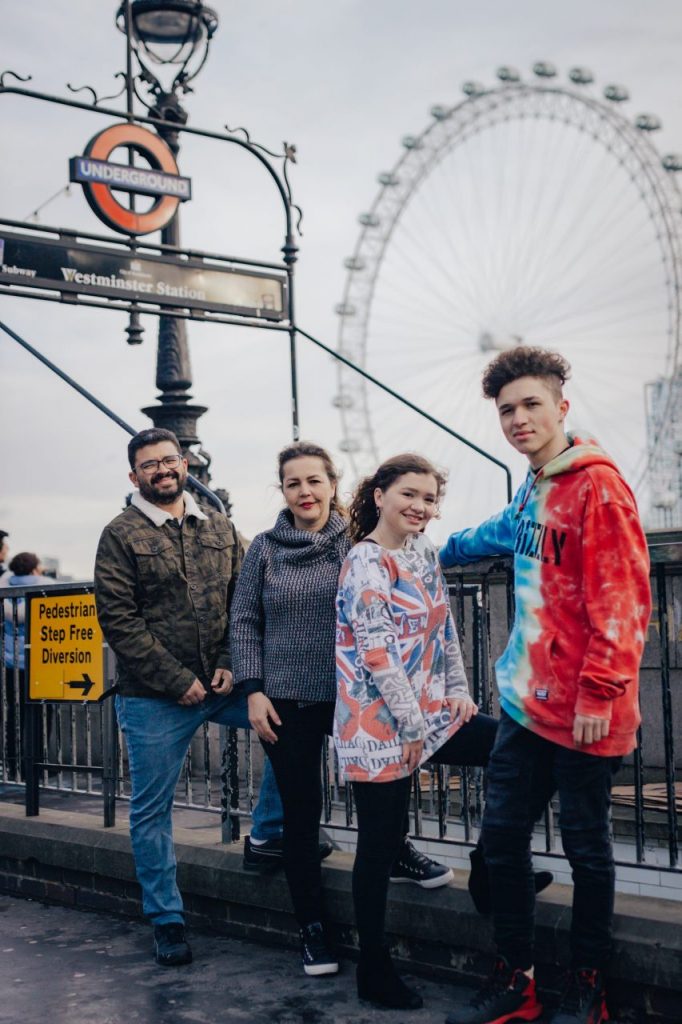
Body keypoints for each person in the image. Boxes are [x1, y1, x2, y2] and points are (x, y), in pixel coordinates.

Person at [439, 348, 651, 1024]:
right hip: (526, 705)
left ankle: (589, 986)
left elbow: (623, 598)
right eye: (507, 410)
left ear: (562, 406)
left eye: (532, 405)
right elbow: (507, 532)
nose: (519, 419)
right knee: (501, 843)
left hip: (587, 711)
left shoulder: (598, 487)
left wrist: (600, 692)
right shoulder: (537, 484)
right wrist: (438, 548)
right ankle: (519, 979)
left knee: (588, 852)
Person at [230, 441, 456, 977]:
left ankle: (396, 848)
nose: (305, 492)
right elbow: (244, 621)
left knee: (382, 796)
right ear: (282, 492)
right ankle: (312, 930)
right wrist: (253, 689)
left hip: (359, 698)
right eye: (293, 484)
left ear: (334, 485)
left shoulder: (357, 545)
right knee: (302, 817)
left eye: (315, 481)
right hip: (289, 698)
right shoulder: (262, 548)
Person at [94, 428, 284, 968]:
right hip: (154, 697)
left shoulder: (220, 526)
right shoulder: (119, 534)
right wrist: (177, 679)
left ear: (184, 465)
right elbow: (119, 620)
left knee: (290, 728)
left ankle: (267, 834)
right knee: (151, 810)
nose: (161, 470)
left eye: (168, 460)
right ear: (134, 476)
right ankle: (167, 919)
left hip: (221, 685)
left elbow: (243, 598)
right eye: (148, 465)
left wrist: (228, 664)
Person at [334, 454, 501, 1010]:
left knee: (518, 752)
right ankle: (374, 971)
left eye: (429, 498)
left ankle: (491, 864)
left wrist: (458, 688)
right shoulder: (365, 561)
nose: (420, 507)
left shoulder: (424, 553)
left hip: (430, 710)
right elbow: (377, 653)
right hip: (377, 721)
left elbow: (443, 627)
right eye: (409, 494)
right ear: (378, 495)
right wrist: (408, 724)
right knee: (379, 847)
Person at [2, 552, 56, 777]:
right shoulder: (46, 589)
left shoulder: (5, 591)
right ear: (35, 569)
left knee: (14, 714)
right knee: (44, 714)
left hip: (11, 663)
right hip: (41, 663)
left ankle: (12, 764)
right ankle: (38, 766)